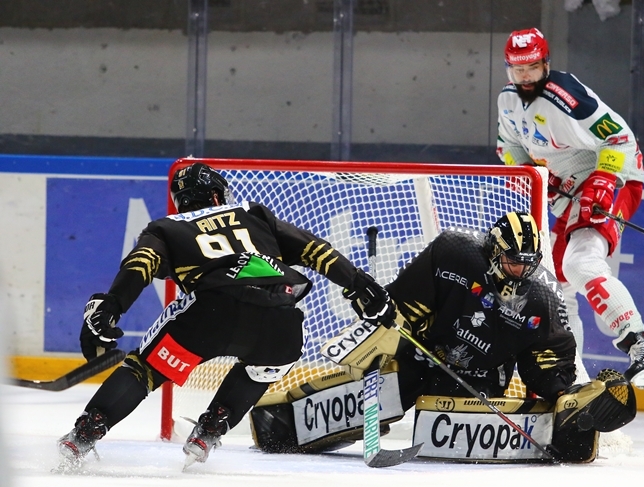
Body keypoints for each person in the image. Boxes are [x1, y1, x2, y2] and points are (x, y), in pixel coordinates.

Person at [58, 162, 394, 470]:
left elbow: (140, 265)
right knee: (266, 367)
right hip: (279, 321)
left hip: (209, 317)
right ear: (217, 195)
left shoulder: (166, 227)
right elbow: (314, 249)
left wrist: (112, 307)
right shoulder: (253, 213)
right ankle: (212, 427)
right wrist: (359, 284)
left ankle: (85, 434)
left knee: (145, 369)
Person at [250, 212, 636, 462]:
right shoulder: (454, 253)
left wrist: (563, 393)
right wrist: (385, 336)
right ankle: (281, 419)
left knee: (454, 434)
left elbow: (546, 362)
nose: (520, 271)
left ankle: (572, 431)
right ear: (493, 251)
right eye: (512, 261)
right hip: (420, 358)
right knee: (376, 394)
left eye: (528, 264)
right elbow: (403, 304)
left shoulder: (541, 300)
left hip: (478, 383)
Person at [495, 27, 644, 389]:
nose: (526, 76)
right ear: (509, 69)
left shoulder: (567, 96)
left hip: (614, 177)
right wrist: (533, 176)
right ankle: (570, 375)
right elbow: (508, 148)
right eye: (518, 69)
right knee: (555, 285)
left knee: (580, 264)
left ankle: (641, 346)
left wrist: (603, 180)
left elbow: (620, 139)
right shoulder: (508, 101)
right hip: (571, 188)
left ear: (546, 64)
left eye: (532, 67)